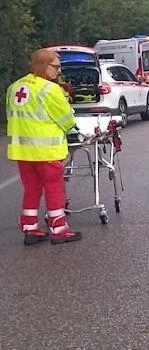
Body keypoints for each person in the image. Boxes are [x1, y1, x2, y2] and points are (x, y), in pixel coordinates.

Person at [6, 48, 81, 245]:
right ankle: (59, 229)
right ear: (43, 65)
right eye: (55, 66)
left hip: (22, 151)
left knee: (31, 189)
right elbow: (66, 120)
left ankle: (30, 229)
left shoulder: (14, 87)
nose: (58, 71)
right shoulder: (49, 89)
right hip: (46, 152)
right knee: (54, 189)